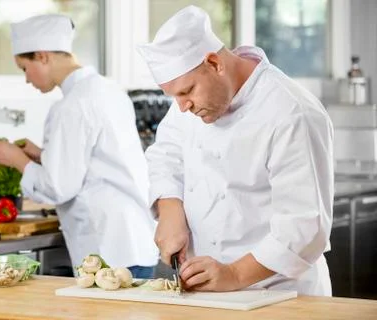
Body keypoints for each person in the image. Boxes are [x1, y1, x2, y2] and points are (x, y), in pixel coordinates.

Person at [137, 5, 334, 295]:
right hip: (210, 295)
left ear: (214, 63)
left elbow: (304, 227)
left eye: (186, 92)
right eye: (174, 96)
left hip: (281, 295)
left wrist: (234, 273)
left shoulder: (292, 112)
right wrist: (170, 211)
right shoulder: (192, 99)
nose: (181, 106)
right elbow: (166, 153)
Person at [0, 14, 158, 278]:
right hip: (133, 241)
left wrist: (17, 160)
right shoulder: (108, 90)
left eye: (24, 68)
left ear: (43, 56)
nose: (26, 79)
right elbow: (96, 163)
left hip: (109, 250)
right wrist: (44, 156)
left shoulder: (71, 106)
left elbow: (59, 187)